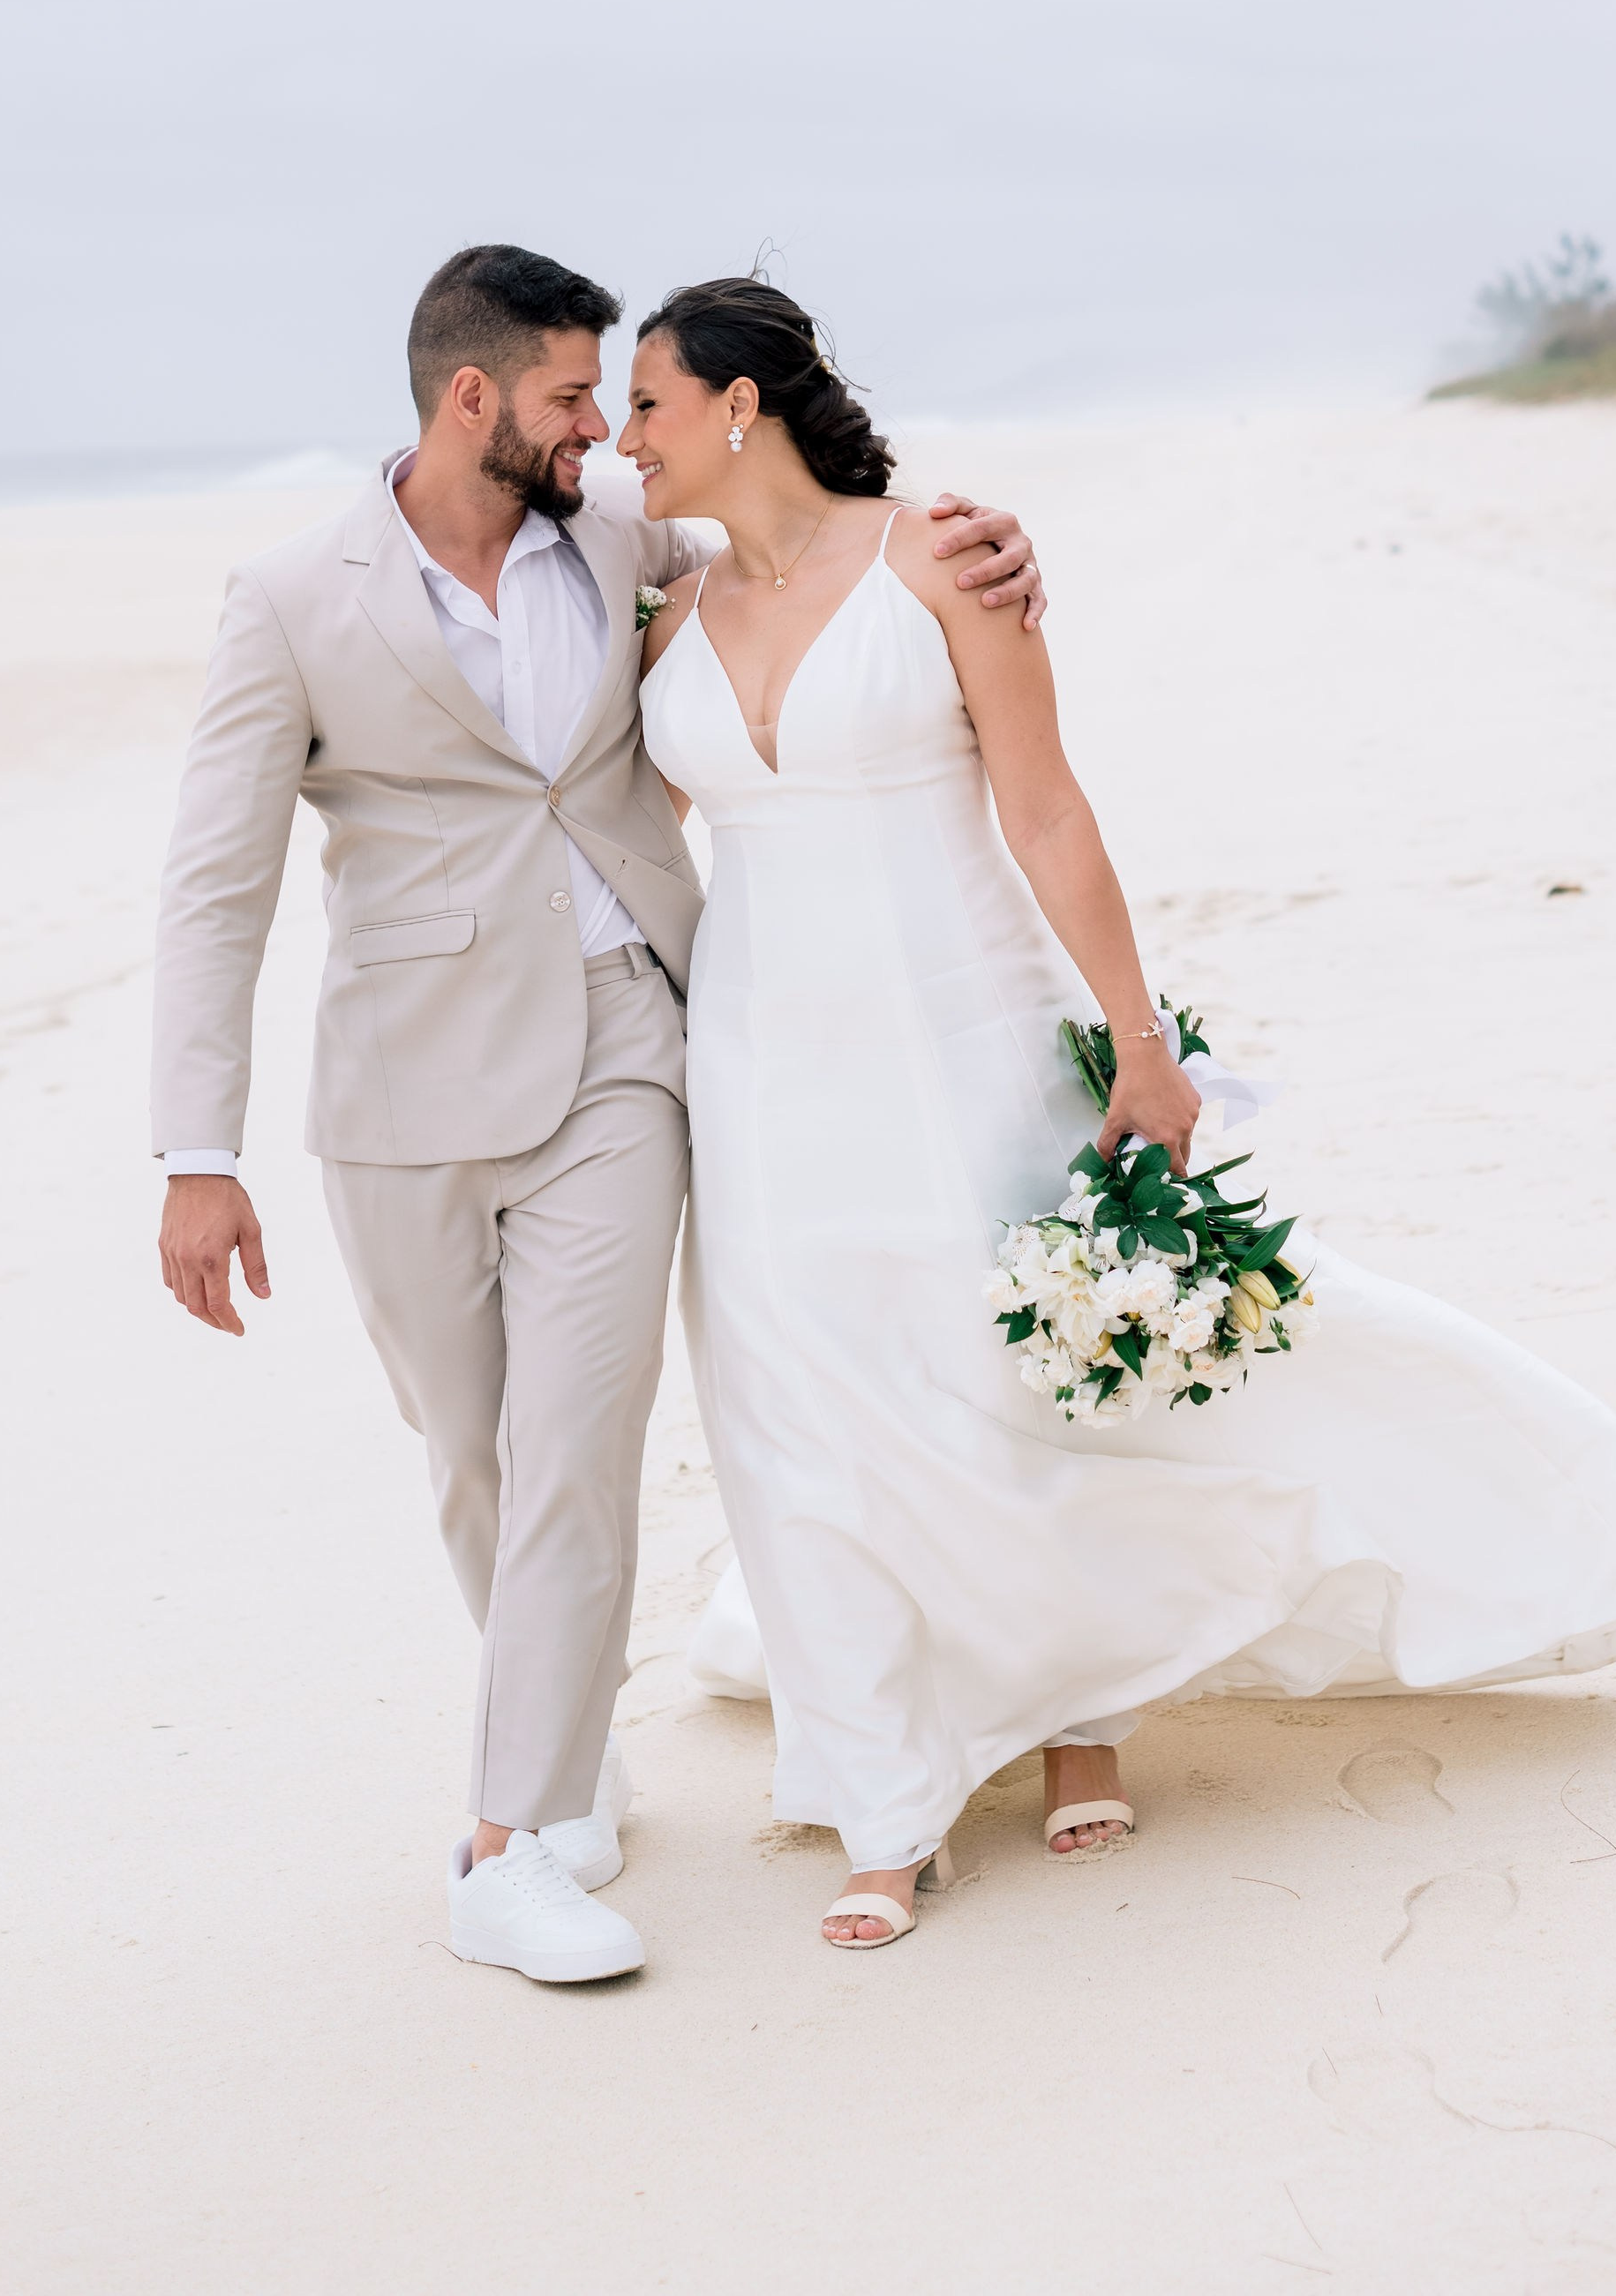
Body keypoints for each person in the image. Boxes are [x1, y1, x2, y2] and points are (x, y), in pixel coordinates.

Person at [624, 276, 1616, 1951]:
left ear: (736, 408)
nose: (624, 438)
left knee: (1020, 1373)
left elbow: (1049, 809)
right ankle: (884, 1797)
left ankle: (1083, 1711)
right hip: (765, 1057)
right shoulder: (662, 614)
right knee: (796, 1400)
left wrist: (1144, 1045)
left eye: (645, 403)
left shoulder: (939, 558)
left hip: (963, 1019)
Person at [150, 244, 1045, 1984]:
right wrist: (199, 1151)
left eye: (614, 404)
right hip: (399, 1089)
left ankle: (508, 1840)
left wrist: (978, 539)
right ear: (469, 398)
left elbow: (814, 546)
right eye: (574, 400)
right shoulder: (289, 597)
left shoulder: (630, 545)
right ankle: (562, 1752)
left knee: (578, 1444)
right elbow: (215, 888)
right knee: (473, 1458)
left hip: (630, 1049)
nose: (603, 437)